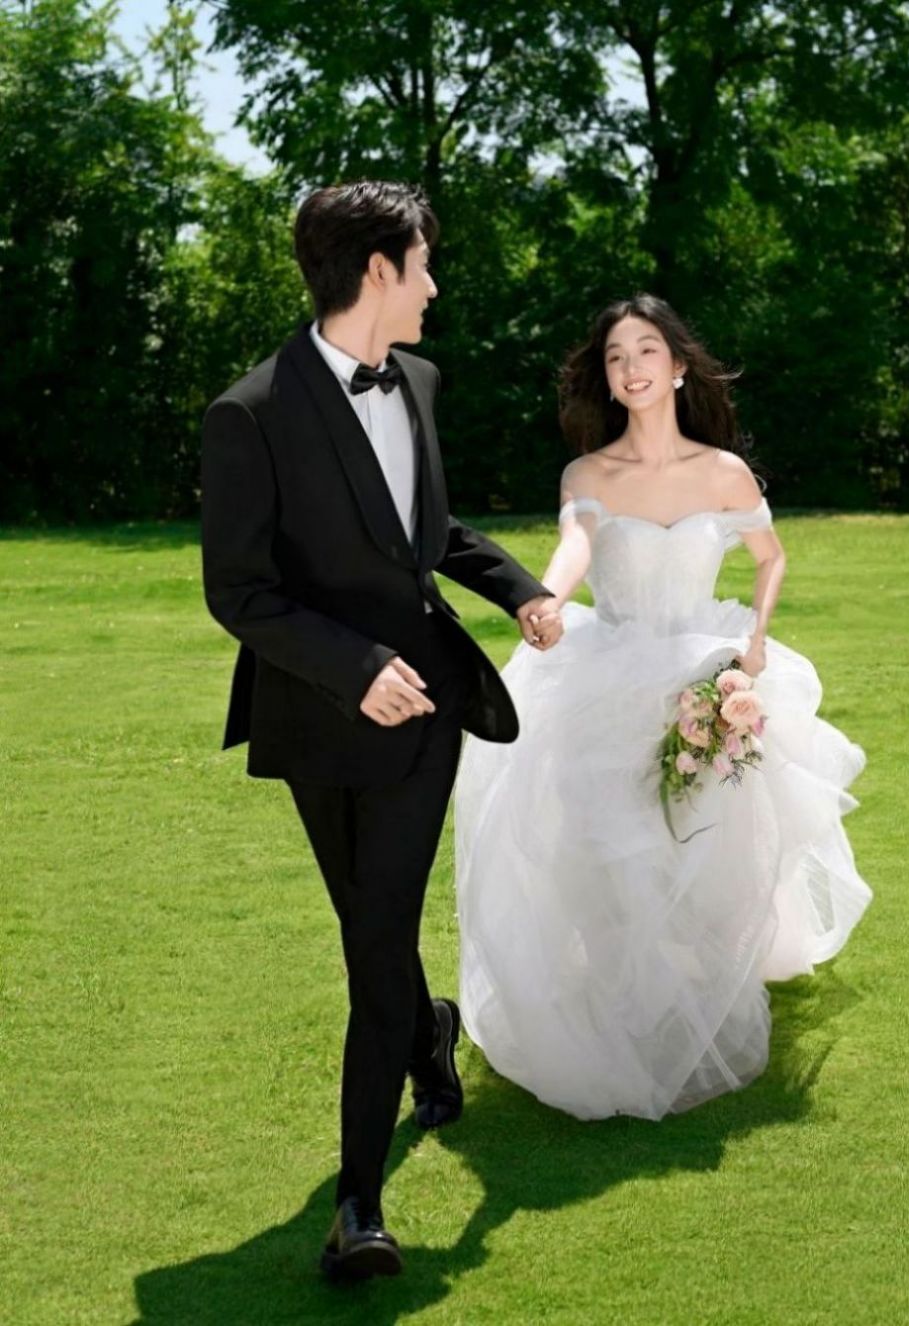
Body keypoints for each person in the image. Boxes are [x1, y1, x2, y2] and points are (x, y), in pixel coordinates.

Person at [200, 180, 561, 1283]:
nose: (433, 285)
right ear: (376, 271)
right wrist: (356, 669)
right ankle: (427, 1032)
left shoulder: (421, 380)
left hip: (426, 716)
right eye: (424, 263)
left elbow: (426, 529)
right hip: (312, 714)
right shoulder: (248, 412)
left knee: (373, 938)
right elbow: (239, 593)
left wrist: (521, 590)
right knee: (371, 926)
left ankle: (357, 1206)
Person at [454, 293, 872, 1121]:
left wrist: (756, 642)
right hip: (607, 672)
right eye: (615, 357)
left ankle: (710, 982)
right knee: (607, 846)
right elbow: (575, 544)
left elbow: (770, 557)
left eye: (646, 351)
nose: (631, 368)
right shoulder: (589, 474)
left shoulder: (723, 473)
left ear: (678, 367)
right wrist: (544, 601)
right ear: (607, 379)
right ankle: (625, 1003)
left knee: (712, 845)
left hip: (703, 668)